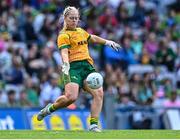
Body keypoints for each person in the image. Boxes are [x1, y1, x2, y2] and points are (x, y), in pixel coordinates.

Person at [37, 6, 121, 132]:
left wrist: (108, 42)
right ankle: (49, 109)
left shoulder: (81, 31)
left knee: (99, 93)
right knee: (71, 97)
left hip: (87, 66)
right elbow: (64, 52)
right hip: (72, 67)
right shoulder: (63, 35)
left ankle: (93, 125)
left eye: (76, 18)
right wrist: (65, 63)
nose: (75, 20)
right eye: (72, 18)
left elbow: (92, 38)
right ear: (65, 18)